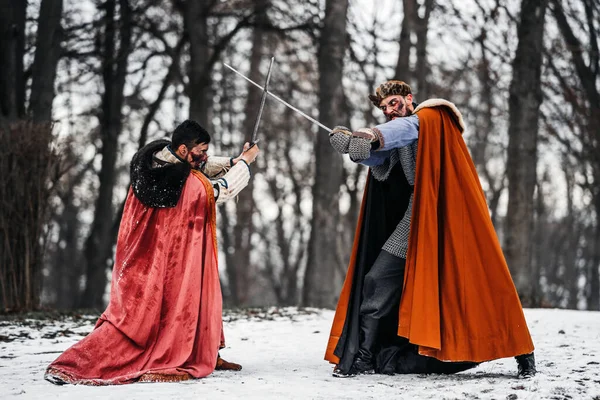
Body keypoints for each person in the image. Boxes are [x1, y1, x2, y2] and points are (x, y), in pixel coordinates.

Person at [325, 80, 536, 379]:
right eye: (385, 108)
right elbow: (380, 158)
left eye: (395, 103)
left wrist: (371, 134)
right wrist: (353, 147)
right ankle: (363, 356)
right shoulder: (396, 131)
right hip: (416, 217)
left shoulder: (432, 117)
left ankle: (523, 351)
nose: (390, 110)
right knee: (377, 279)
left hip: (447, 217)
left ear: (410, 99)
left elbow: (405, 130)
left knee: (484, 283)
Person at [45, 120, 259, 385]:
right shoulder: (185, 184)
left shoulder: (154, 160)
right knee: (163, 310)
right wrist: (245, 164)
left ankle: (205, 349)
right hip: (167, 258)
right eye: (200, 151)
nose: (204, 157)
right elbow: (218, 190)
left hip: (148, 254)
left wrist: (232, 159)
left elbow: (202, 167)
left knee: (182, 301)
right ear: (183, 149)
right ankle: (89, 361)